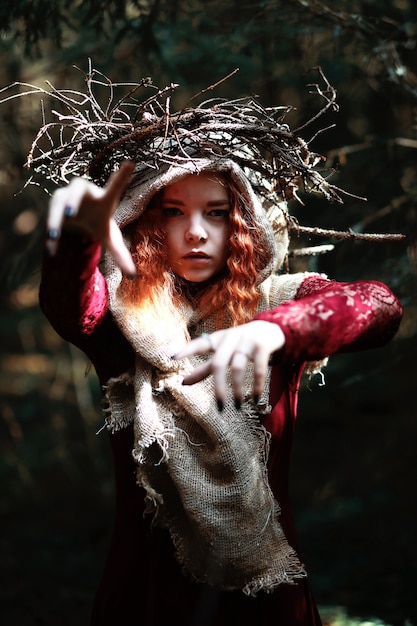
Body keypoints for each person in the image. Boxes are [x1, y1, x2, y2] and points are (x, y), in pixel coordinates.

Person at [35, 77, 402, 626]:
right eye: (173, 212)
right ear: (145, 221)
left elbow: (380, 306)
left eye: (216, 211)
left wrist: (278, 331)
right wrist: (77, 235)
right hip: (146, 600)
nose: (196, 232)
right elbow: (70, 303)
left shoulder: (278, 302)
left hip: (269, 602)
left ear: (243, 222)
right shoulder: (121, 322)